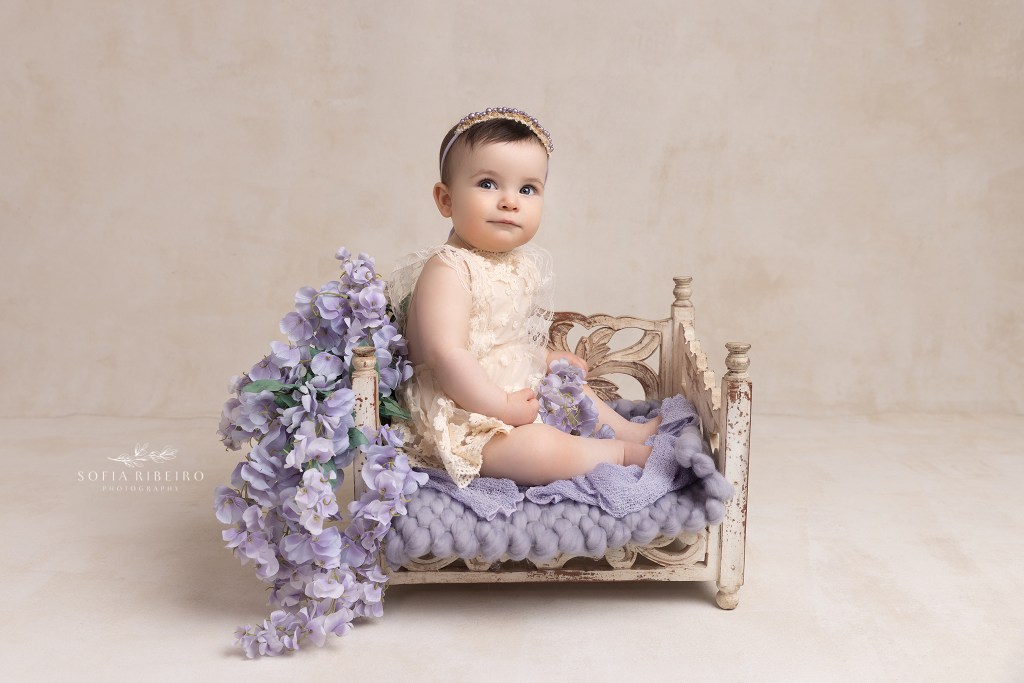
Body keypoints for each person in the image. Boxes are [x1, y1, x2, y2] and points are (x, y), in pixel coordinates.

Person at [387, 107, 661, 489]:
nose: (510, 201)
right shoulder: (448, 270)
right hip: (466, 415)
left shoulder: (519, 265)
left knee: (572, 389)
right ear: (445, 200)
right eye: (487, 183)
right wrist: (498, 406)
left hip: (517, 394)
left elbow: (507, 338)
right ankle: (620, 455)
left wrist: (547, 358)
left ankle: (628, 432)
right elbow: (447, 355)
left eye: (527, 189)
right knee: (535, 449)